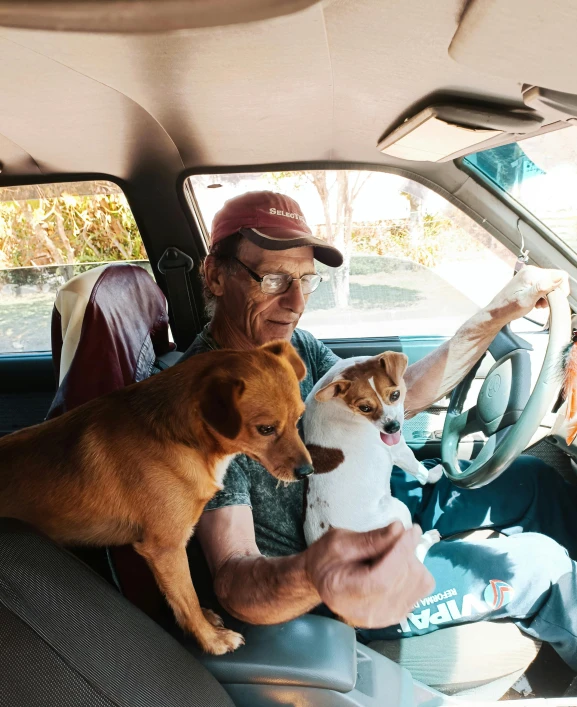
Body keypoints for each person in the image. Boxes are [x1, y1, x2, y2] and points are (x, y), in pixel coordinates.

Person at [181, 190, 577, 669]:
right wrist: (321, 572)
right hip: (346, 578)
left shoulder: (293, 346)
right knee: (541, 567)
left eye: (307, 280)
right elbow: (231, 576)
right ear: (215, 276)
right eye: (273, 278)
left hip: (372, 500)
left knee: (533, 480)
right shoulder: (206, 406)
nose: (297, 302)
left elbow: (391, 396)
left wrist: (497, 313)